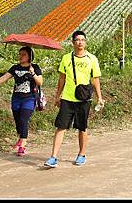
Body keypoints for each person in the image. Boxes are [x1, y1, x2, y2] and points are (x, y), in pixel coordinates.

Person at [44, 30, 104, 168]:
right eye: (77, 40)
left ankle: (81, 154)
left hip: (84, 99)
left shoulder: (92, 59)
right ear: (72, 42)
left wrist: (99, 97)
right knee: (61, 126)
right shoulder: (66, 58)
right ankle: (53, 157)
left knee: (82, 127)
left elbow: (95, 79)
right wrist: (58, 95)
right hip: (67, 98)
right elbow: (61, 79)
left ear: (85, 42)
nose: (80, 42)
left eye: (82, 40)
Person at [0, 46, 43, 156]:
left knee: (24, 119)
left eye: (23, 54)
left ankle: (23, 144)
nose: (20, 56)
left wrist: (33, 73)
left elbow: (40, 82)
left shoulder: (35, 67)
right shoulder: (15, 67)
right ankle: (20, 136)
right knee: (18, 121)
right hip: (16, 98)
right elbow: (5, 77)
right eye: (20, 54)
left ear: (29, 56)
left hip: (30, 98)